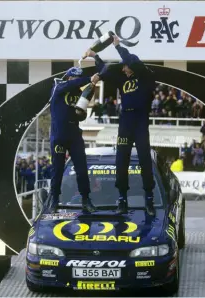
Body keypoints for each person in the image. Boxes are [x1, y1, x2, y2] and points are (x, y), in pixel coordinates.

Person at [84, 35, 157, 216]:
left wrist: (117, 46)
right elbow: (105, 72)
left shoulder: (146, 76)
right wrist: (95, 56)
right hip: (125, 121)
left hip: (140, 120)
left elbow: (132, 60)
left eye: (125, 66)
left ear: (132, 66)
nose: (123, 68)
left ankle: (149, 199)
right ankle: (122, 199)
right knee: (121, 160)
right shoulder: (122, 80)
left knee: (144, 160)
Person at [48, 66, 99, 213]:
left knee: (82, 169)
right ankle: (54, 200)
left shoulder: (79, 93)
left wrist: (82, 112)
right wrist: (89, 79)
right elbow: (70, 85)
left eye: (79, 78)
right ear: (69, 78)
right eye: (75, 78)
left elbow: (81, 115)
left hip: (74, 134)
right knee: (57, 169)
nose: (77, 81)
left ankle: (86, 199)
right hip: (59, 135)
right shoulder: (59, 87)